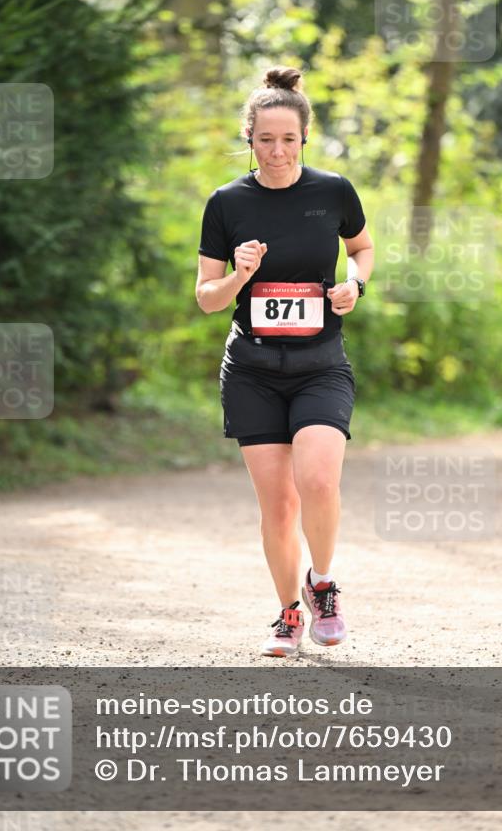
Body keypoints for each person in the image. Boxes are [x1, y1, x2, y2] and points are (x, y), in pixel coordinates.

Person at [195, 65, 374, 658]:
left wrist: (355, 284)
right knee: (278, 505)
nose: (277, 150)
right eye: (265, 139)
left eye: (288, 139)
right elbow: (206, 297)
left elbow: (362, 249)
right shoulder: (225, 203)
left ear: (304, 139)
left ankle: (322, 583)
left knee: (318, 480)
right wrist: (240, 275)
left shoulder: (333, 192)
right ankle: (287, 615)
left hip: (321, 363)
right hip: (251, 369)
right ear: (249, 138)